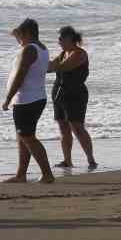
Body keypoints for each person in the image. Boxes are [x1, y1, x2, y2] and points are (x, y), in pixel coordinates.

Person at [1, 18, 56, 184]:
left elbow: (20, 75)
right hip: (35, 97)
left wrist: (8, 98)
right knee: (23, 137)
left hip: (27, 100)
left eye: (20, 36)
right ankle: (21, 174)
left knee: (28, 137)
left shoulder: (29, 50)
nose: (18, 40)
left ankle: (47, 174)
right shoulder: (41, 48)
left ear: (27, 34)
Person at [46, 25, 97, 171]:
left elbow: (63, 67)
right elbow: (50, 67)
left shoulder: (79, 54)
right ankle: (67, 161)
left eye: (60, 38)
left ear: (69, 38)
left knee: (77, 127)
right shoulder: (63, 53)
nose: (58, 42)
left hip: (75, 94)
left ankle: (91, 160)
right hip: (59, 93)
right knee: (63, 128)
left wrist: (47, 65)